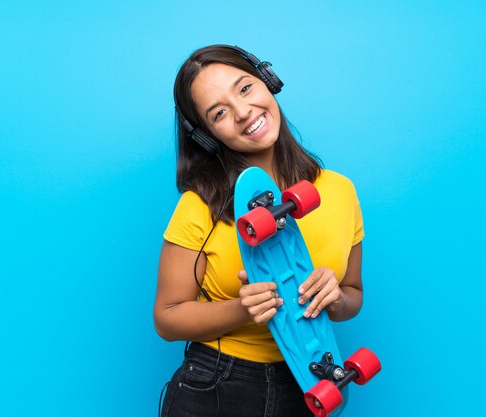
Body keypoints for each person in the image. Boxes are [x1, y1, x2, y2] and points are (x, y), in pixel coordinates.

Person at [154, 44, 365, 417]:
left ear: (268, 81)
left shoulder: (339, 191)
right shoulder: (200, 204)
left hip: (308, 380)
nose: (242, 112)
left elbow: (352, 297)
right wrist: (243, 309)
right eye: (219, 113)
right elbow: (168, 318)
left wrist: (335, 297)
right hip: (217, 384)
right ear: (206, 135)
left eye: (246, 88)